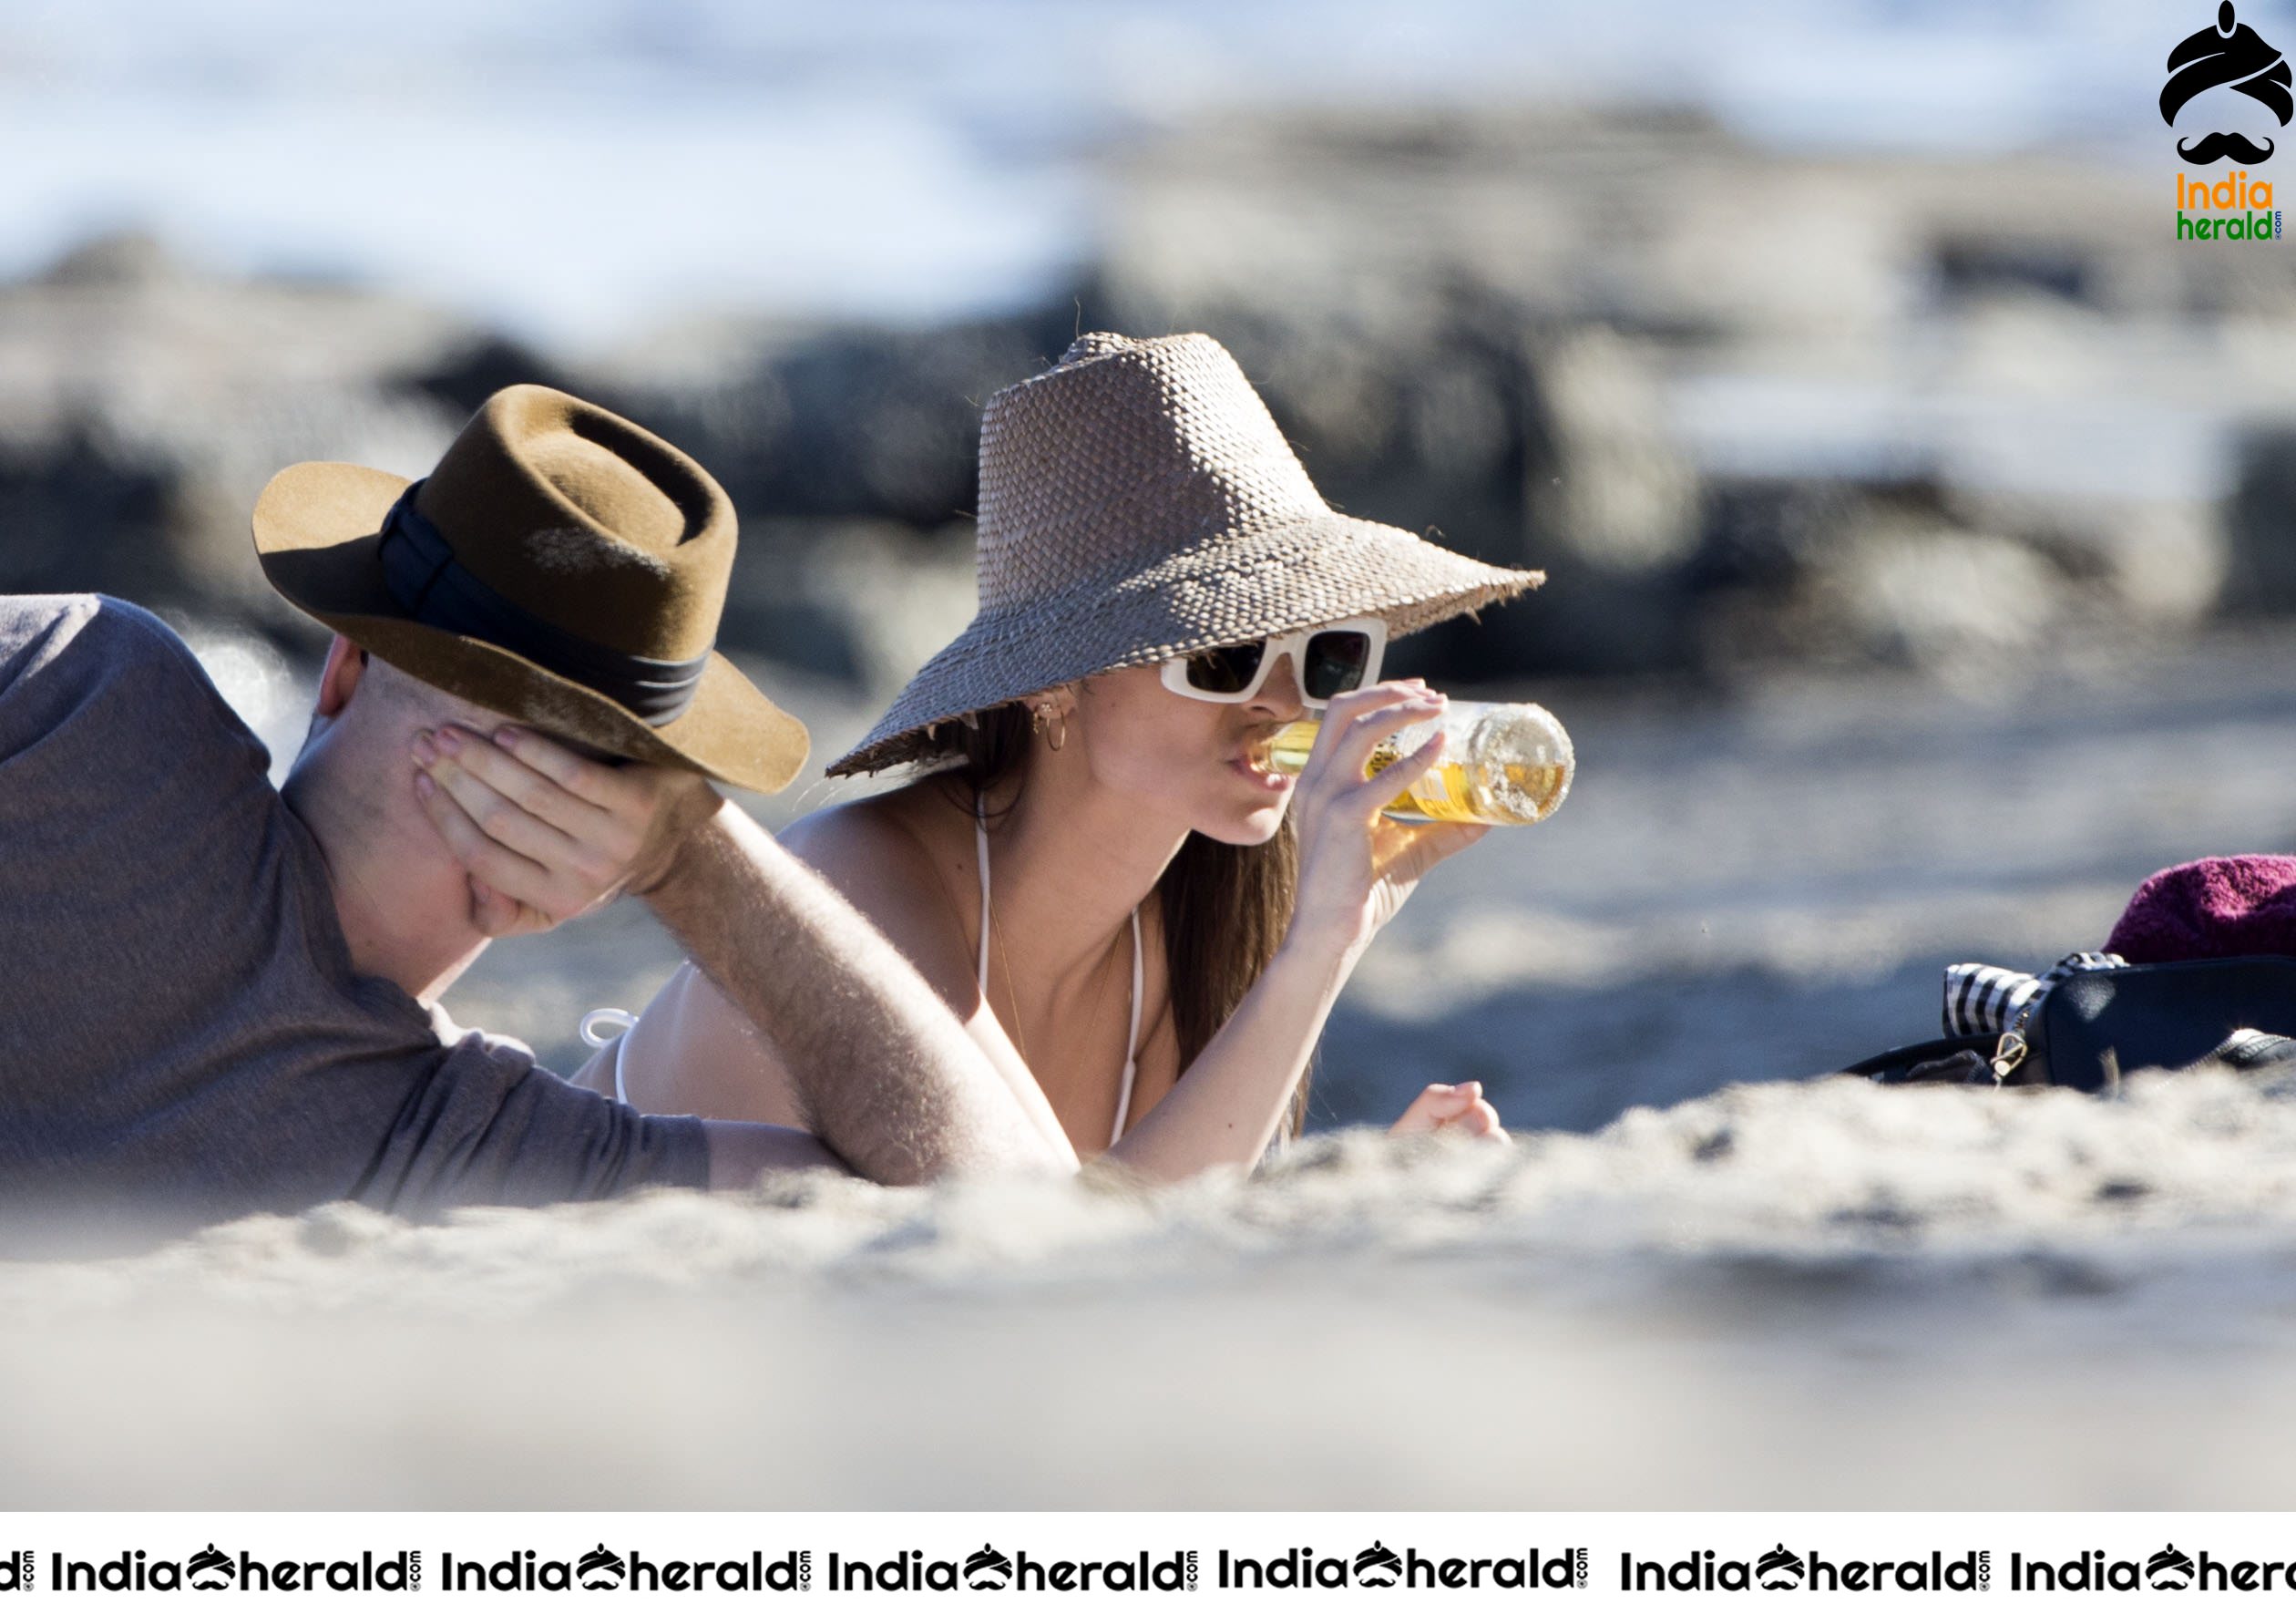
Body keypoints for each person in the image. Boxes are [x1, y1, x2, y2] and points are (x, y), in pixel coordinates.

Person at [0, 384, 1069, 1239]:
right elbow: (1009, 1223)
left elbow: (1009, 1223)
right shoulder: (472, 1154)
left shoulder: (84, 692)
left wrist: (693, 856)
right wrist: (692, 856)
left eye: (603, 763)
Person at [566, 332, 1544, 1179]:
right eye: (1227, 653)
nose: (1284, 705)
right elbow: (1053, 1253)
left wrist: (1358, 1201)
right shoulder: (857, 887)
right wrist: (1321, 948)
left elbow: (1149, 1250)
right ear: (1052, 683)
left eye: (1328, 657)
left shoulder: (1199, 912)